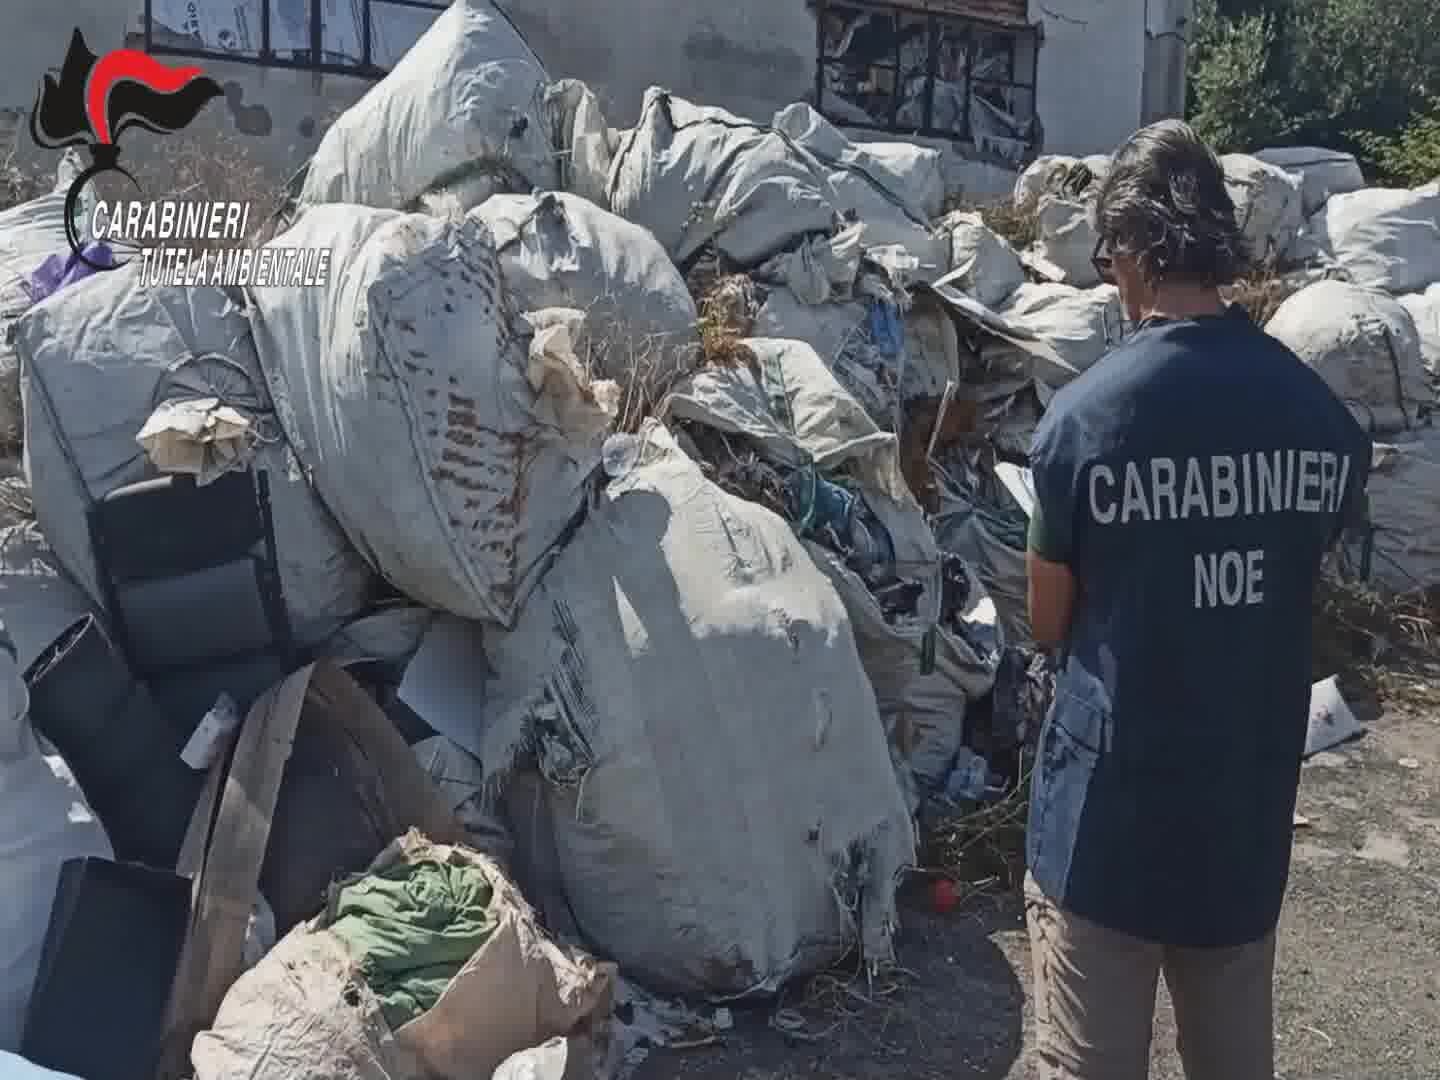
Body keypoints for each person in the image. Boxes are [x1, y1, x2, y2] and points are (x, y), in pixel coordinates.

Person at [1022, 119, 1371, 1080]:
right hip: (1240, 821)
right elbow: (1303, 566)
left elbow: (1049, 622)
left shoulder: (1085, 419)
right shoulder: (1316, 418)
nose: (1107, 276)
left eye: (1109, 254)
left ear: (1136, 247)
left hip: (1110, 829)